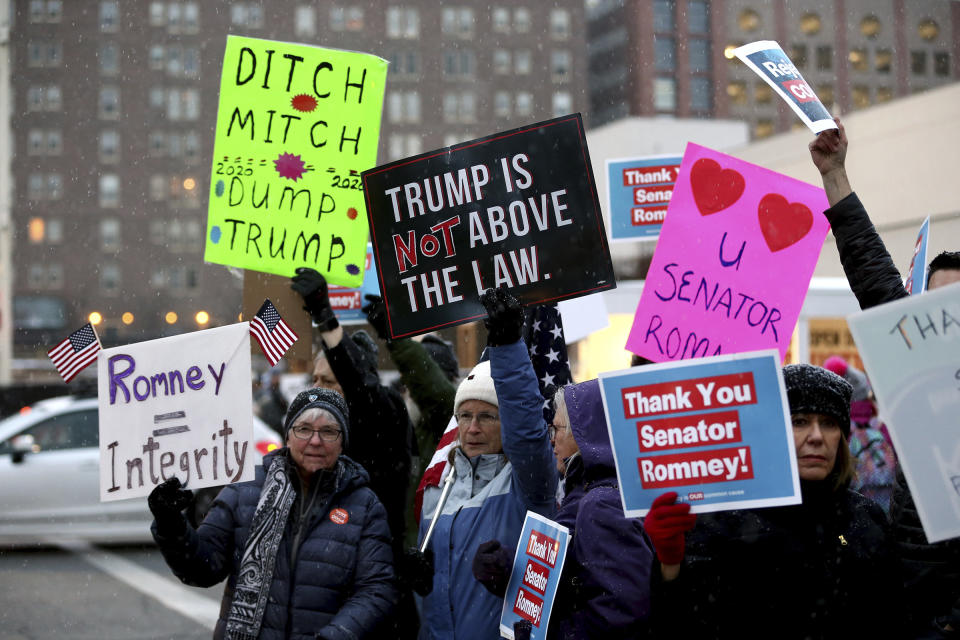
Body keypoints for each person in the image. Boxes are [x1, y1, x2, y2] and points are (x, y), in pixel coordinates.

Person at [810, 120, 960, 637]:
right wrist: (834, 174)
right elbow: (870, 268)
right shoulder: (914, 353)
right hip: (918, 605)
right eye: (937, 304)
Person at [647, 364, 903, 638]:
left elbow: (892, 618)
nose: (816, 437)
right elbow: (680, 627)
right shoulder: (727, 518)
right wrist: (670, 567)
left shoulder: (865, 517)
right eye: (799, 421)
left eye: (829, 423)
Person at [149, 388, 396, 640]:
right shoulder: (243, 490)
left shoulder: (364, 506)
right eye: (304, 429)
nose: (315, 440)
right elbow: (201, 569)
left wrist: (335, 635)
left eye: (329, 431)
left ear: (342, 442)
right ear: (287, 435)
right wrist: (170, 522)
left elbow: (375, 589)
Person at [415, 286, 556, 640]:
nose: (472, 428)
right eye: (464, 416)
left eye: (487, 417)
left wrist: (507, 345)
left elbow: (526, 433)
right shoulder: (438, 488)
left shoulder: (526, 484)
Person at [473, 380, 655, 639]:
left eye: (557, 429)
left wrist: (555, 633)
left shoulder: (601, 503)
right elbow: (571, 572)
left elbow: (617, 616)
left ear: (584, 434)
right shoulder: (594, 490)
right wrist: (508, 567)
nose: (553, 441)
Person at [291, 268, 417, 637]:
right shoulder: (309, 442)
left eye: (329, 382)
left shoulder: (384, 411)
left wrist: (325, 318)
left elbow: (360, 388)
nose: (318, 391)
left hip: (374, 601)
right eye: (314, 380)